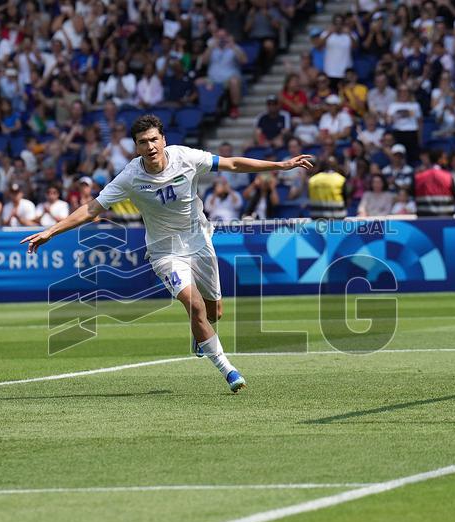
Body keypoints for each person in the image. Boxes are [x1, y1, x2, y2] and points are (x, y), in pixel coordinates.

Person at [21, 115, 313, 393]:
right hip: (165, 252)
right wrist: (51, 231)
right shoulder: (130, 177)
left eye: (152, 140)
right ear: (136, 147)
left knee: (214, 313)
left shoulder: (186, 157)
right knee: (194, 306)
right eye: (142, 142)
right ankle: (228, 370)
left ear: (163, 140)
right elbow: (92, 209)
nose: (149, 147)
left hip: (199, 242)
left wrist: (281, 164)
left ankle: (200, 336)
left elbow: (233, 164)